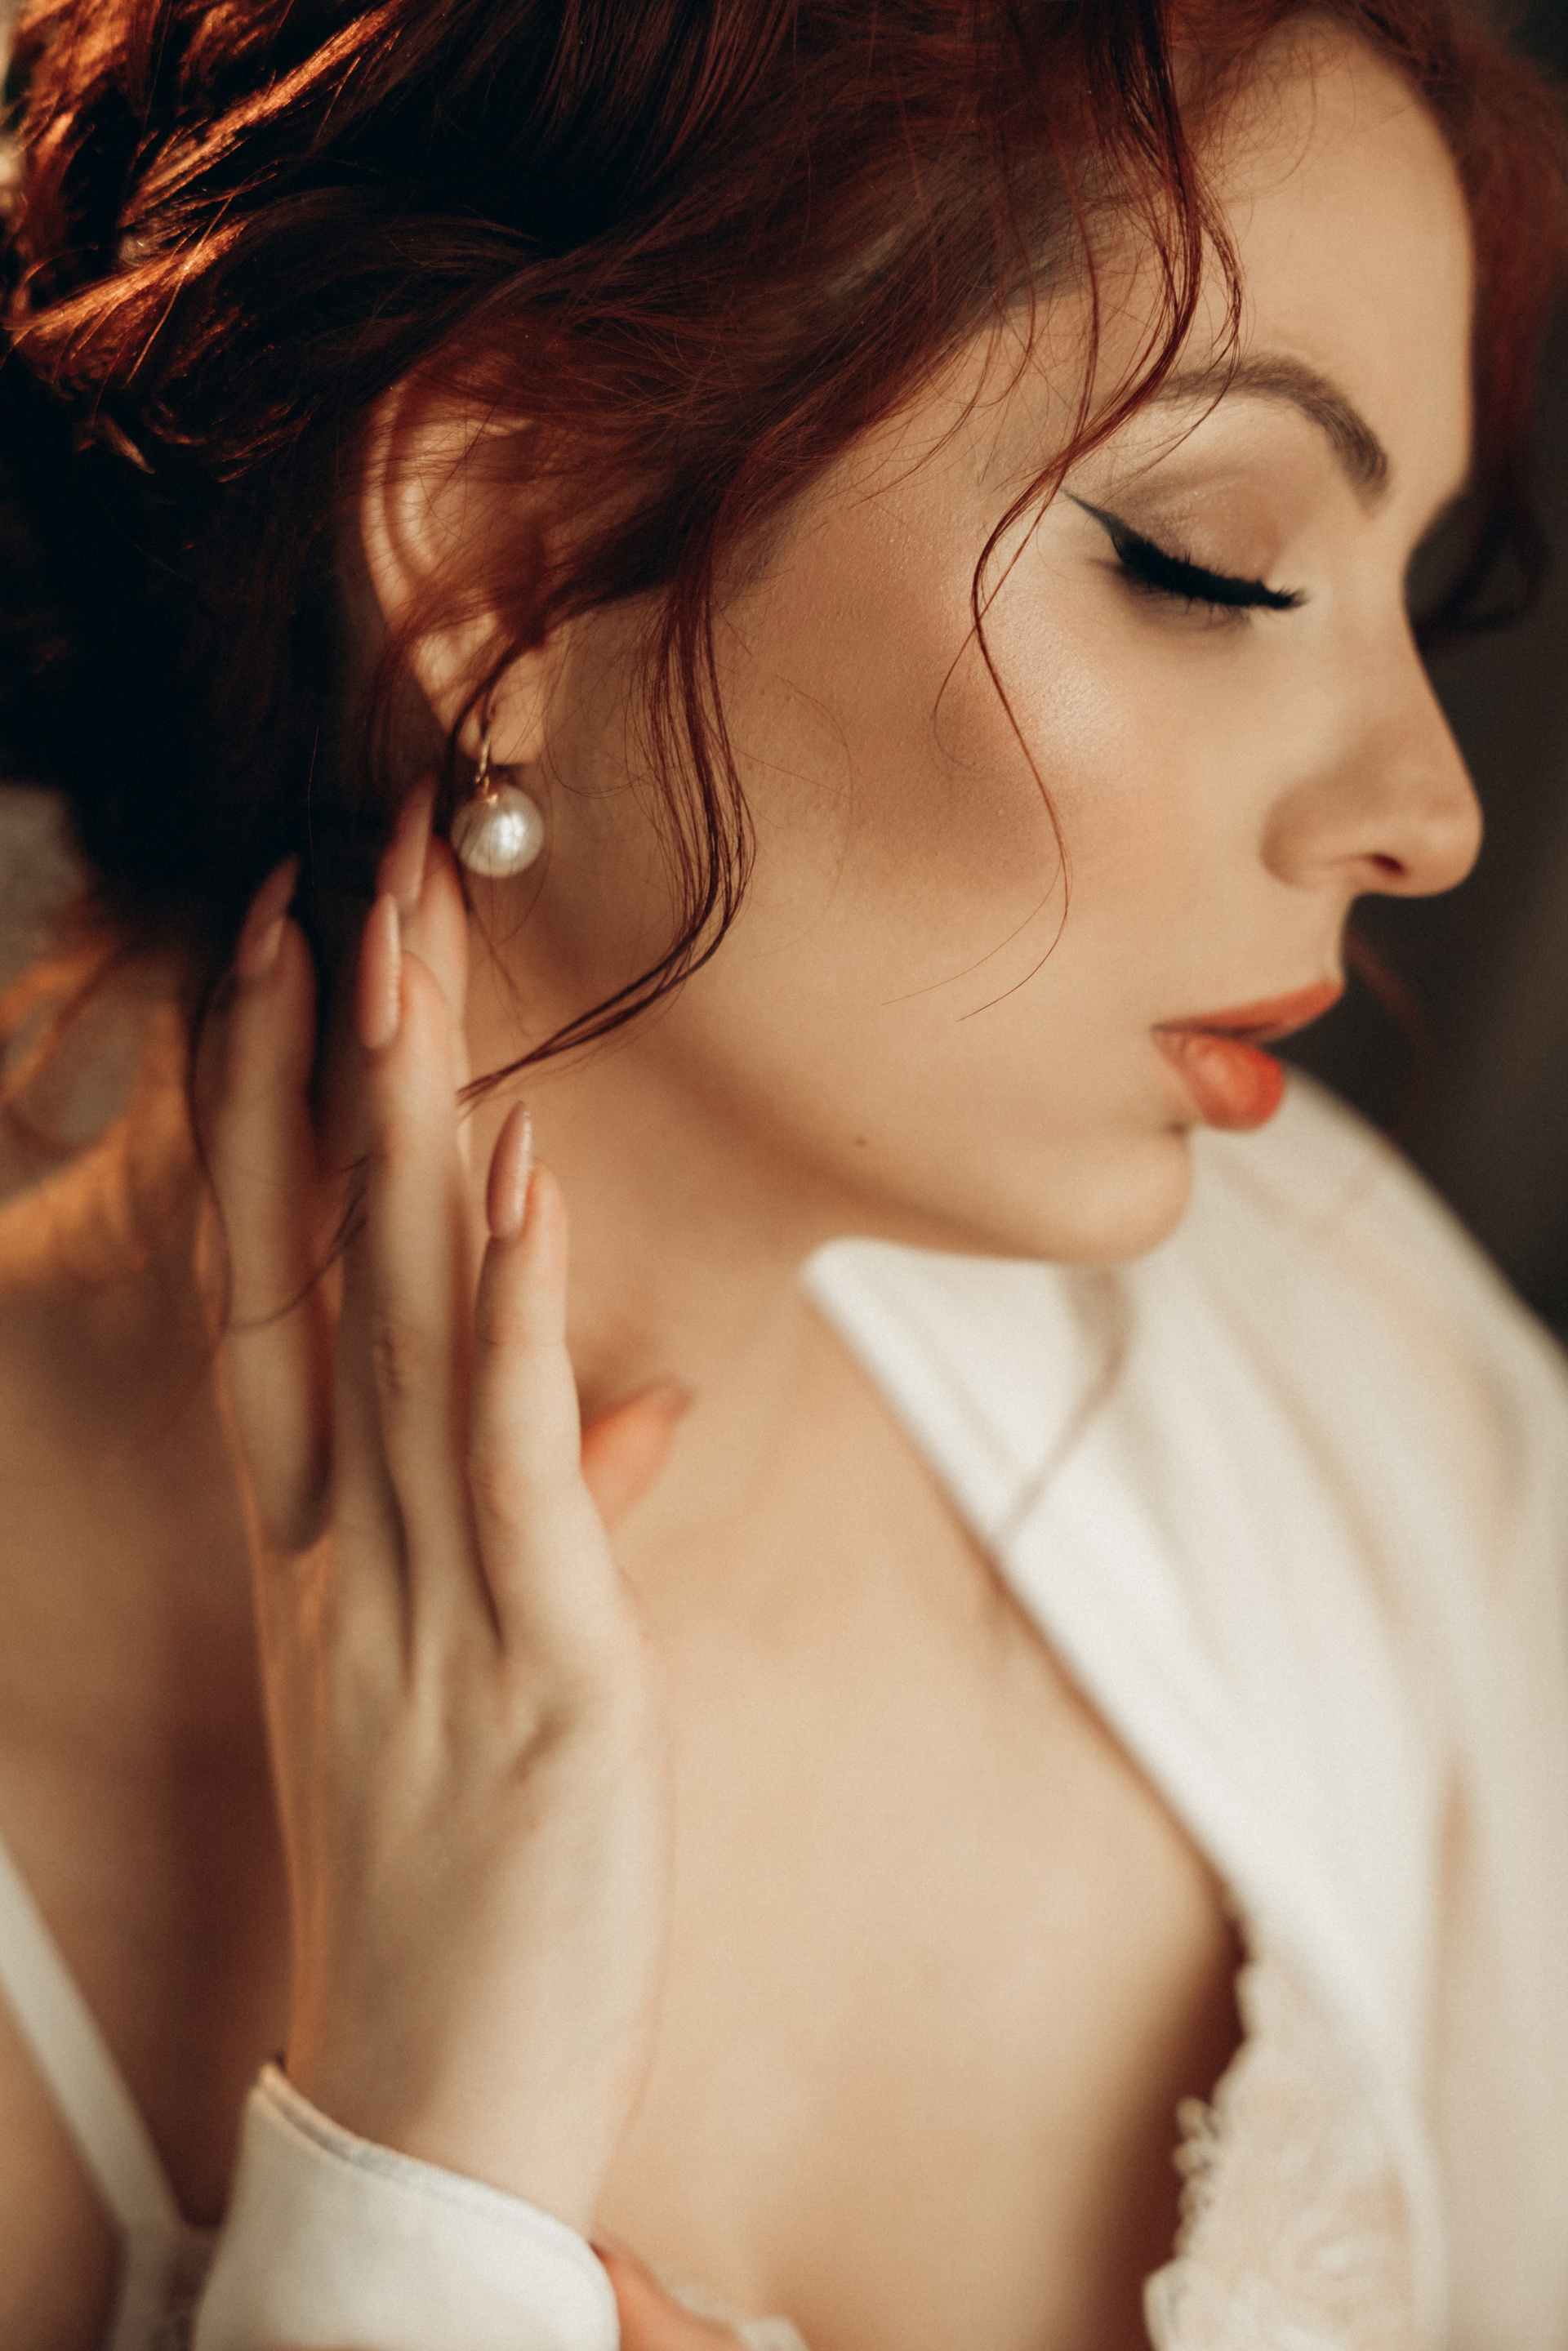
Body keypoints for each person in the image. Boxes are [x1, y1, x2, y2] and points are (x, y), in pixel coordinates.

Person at [0, 0, 1566, 2344]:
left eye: (1409, 594)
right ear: (499, 549)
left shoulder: (1329, 1358)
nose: (1427, 815)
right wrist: (418, 2190)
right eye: (1216, 565)